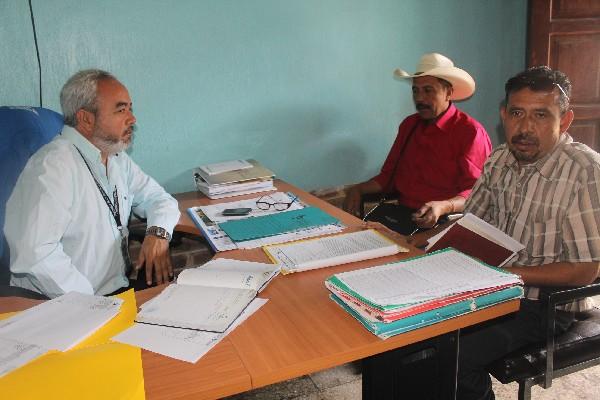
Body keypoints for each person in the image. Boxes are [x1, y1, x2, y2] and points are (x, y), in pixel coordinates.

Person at [447, 66, 600, 400]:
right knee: (414, 337)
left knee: (455, 357)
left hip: (545, 306)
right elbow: (471, 221)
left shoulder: (583, 171)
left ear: (566, 120)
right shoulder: (500, 157)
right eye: (517, 113)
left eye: (541, 115)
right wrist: (412, 242)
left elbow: (587, 270)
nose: (525, 127)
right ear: (504, 114)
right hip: (490, 288)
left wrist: (503, 275)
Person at [5, 69, 181, 298]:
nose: (132, 118)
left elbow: (159, 199)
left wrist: (158, 233)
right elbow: (34, 254)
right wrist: (92, 306)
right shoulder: (52, 167)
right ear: (86, 119)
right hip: (61, 305)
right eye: (121, 110)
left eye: (130, 108)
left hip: (113, 293)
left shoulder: (115, 158)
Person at [343, 53, 492, 235]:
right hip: (403, 218)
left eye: (428, 90)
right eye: (416, 90)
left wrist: (444, 206)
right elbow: (389, 177)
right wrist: (357, 189)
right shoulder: (409, 125)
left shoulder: (470, 132)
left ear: (448, 92)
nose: (420, 98)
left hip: (442, 224)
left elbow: (479, 194)